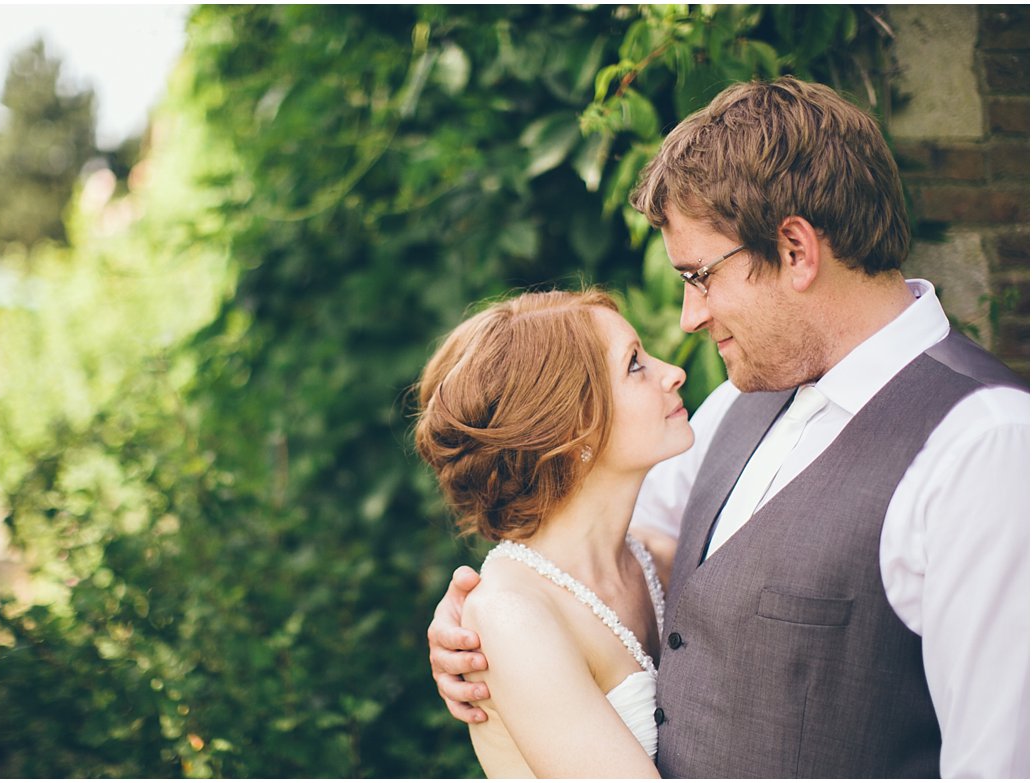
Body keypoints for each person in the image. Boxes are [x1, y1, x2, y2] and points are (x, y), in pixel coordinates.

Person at [427, 76, 1030, 778]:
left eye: (702, 276)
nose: (689, 318)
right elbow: (584, 554)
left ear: (797, 251)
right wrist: (477, 621)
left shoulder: (985, 445)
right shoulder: (732, 409)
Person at [413, 289, 693, 777]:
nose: (673, 372)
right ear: (572, 431)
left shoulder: (659, 559)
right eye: (634, 365)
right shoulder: (510, 614)